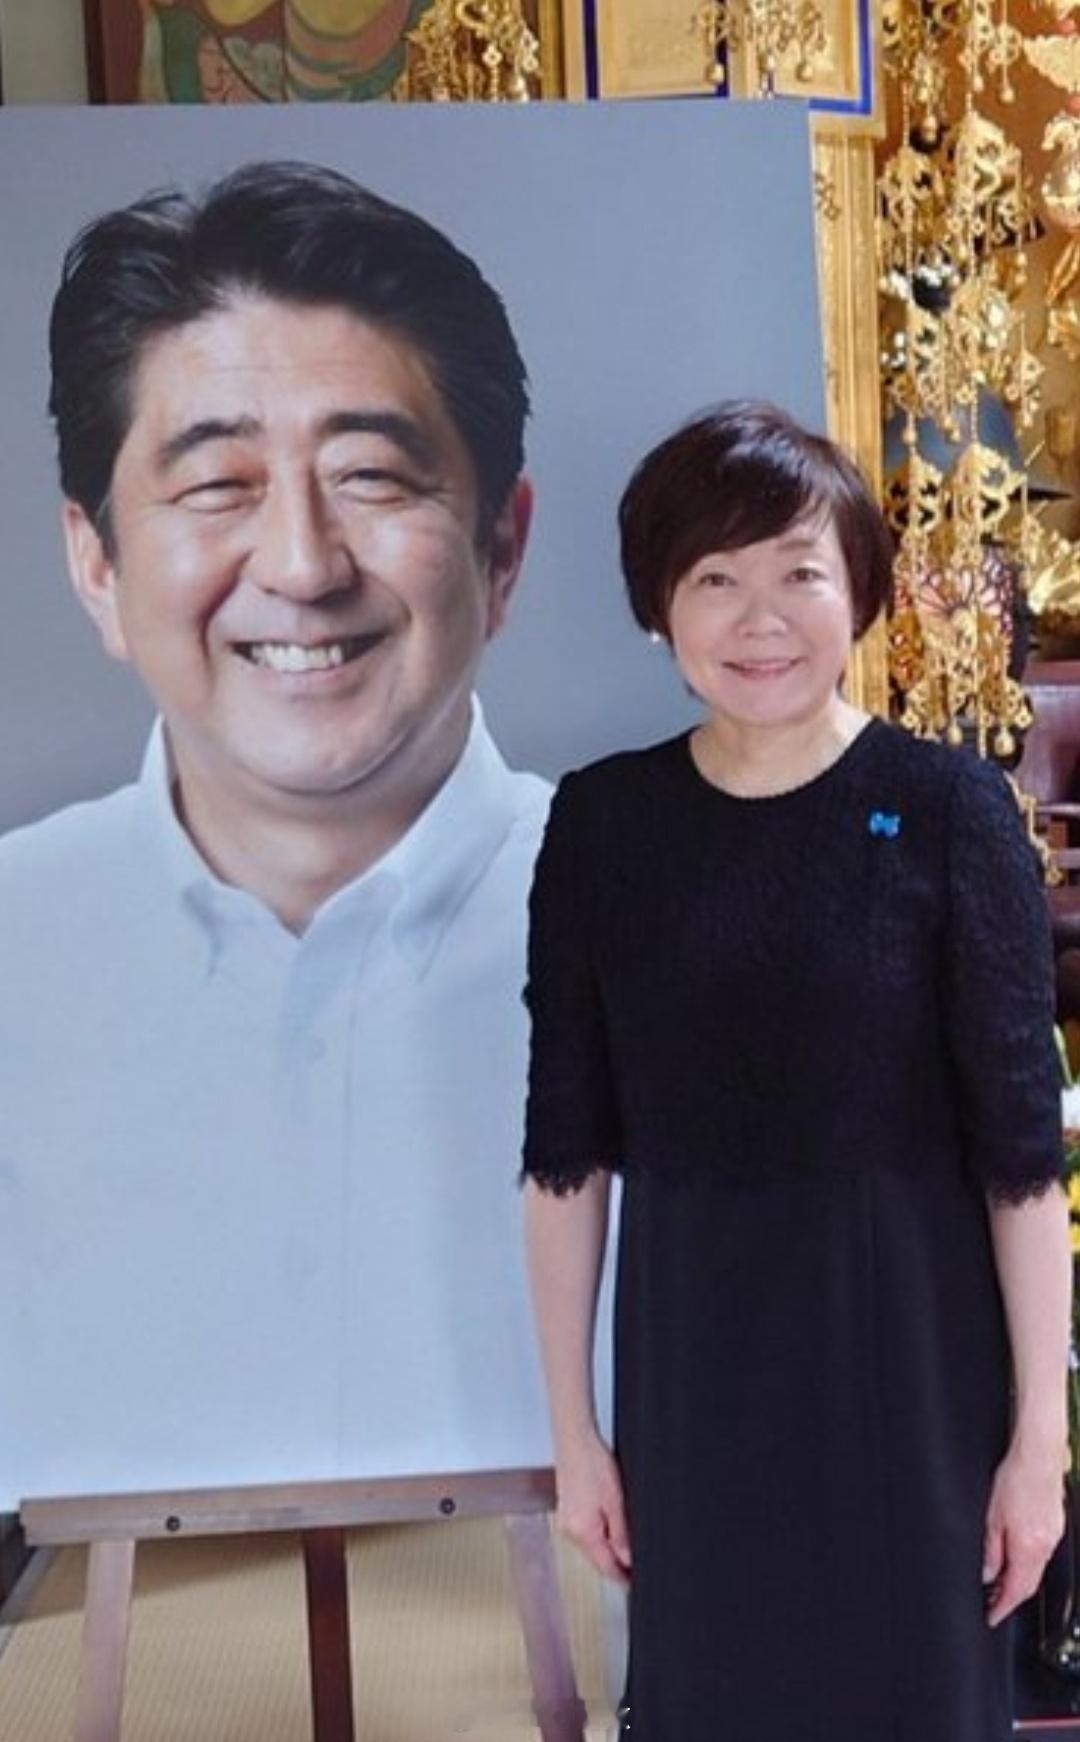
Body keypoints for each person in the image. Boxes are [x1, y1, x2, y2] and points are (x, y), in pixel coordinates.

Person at [0, 160, 553, 1504]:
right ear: (95, 563)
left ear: (502, 548)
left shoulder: (686, 931)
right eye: (216, 485)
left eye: (371, 475)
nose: (303, 565)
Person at [522, 400, 1071, 1742]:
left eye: (799, 573)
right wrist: (576, 1435)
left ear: (860, 592)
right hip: (695, 1375)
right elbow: (564, 1153)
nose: (759, 618)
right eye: (715, 578)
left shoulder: (951, 813)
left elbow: (1021, 1160)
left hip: (916, 1375)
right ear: (660, 605)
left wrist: (1038, 1449)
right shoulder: (603, 823)